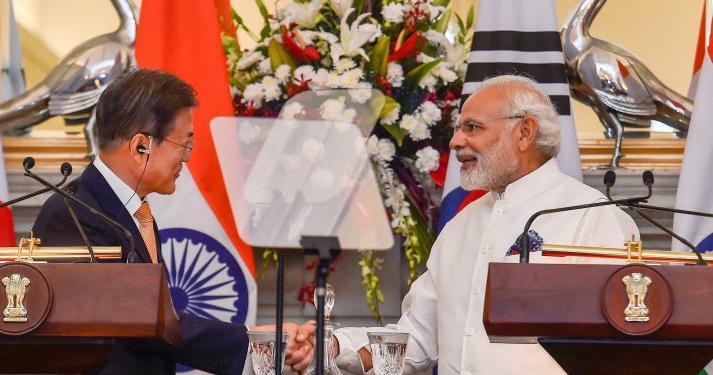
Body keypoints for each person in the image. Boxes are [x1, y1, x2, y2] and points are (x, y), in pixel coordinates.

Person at [287, 75, 639, 374]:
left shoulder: (595, 218)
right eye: (458, 129)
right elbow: (416, 339)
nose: (455, 142)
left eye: (472, 127)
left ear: (525, 132)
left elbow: (616, 353)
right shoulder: (460, 225)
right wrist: (332, 347)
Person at [32, 68, 307, 374]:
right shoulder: (71, 215)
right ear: (141, 147)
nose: (188, 157)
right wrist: (256, 342)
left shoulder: (136, 212)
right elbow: (135, 316)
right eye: (184, 144)